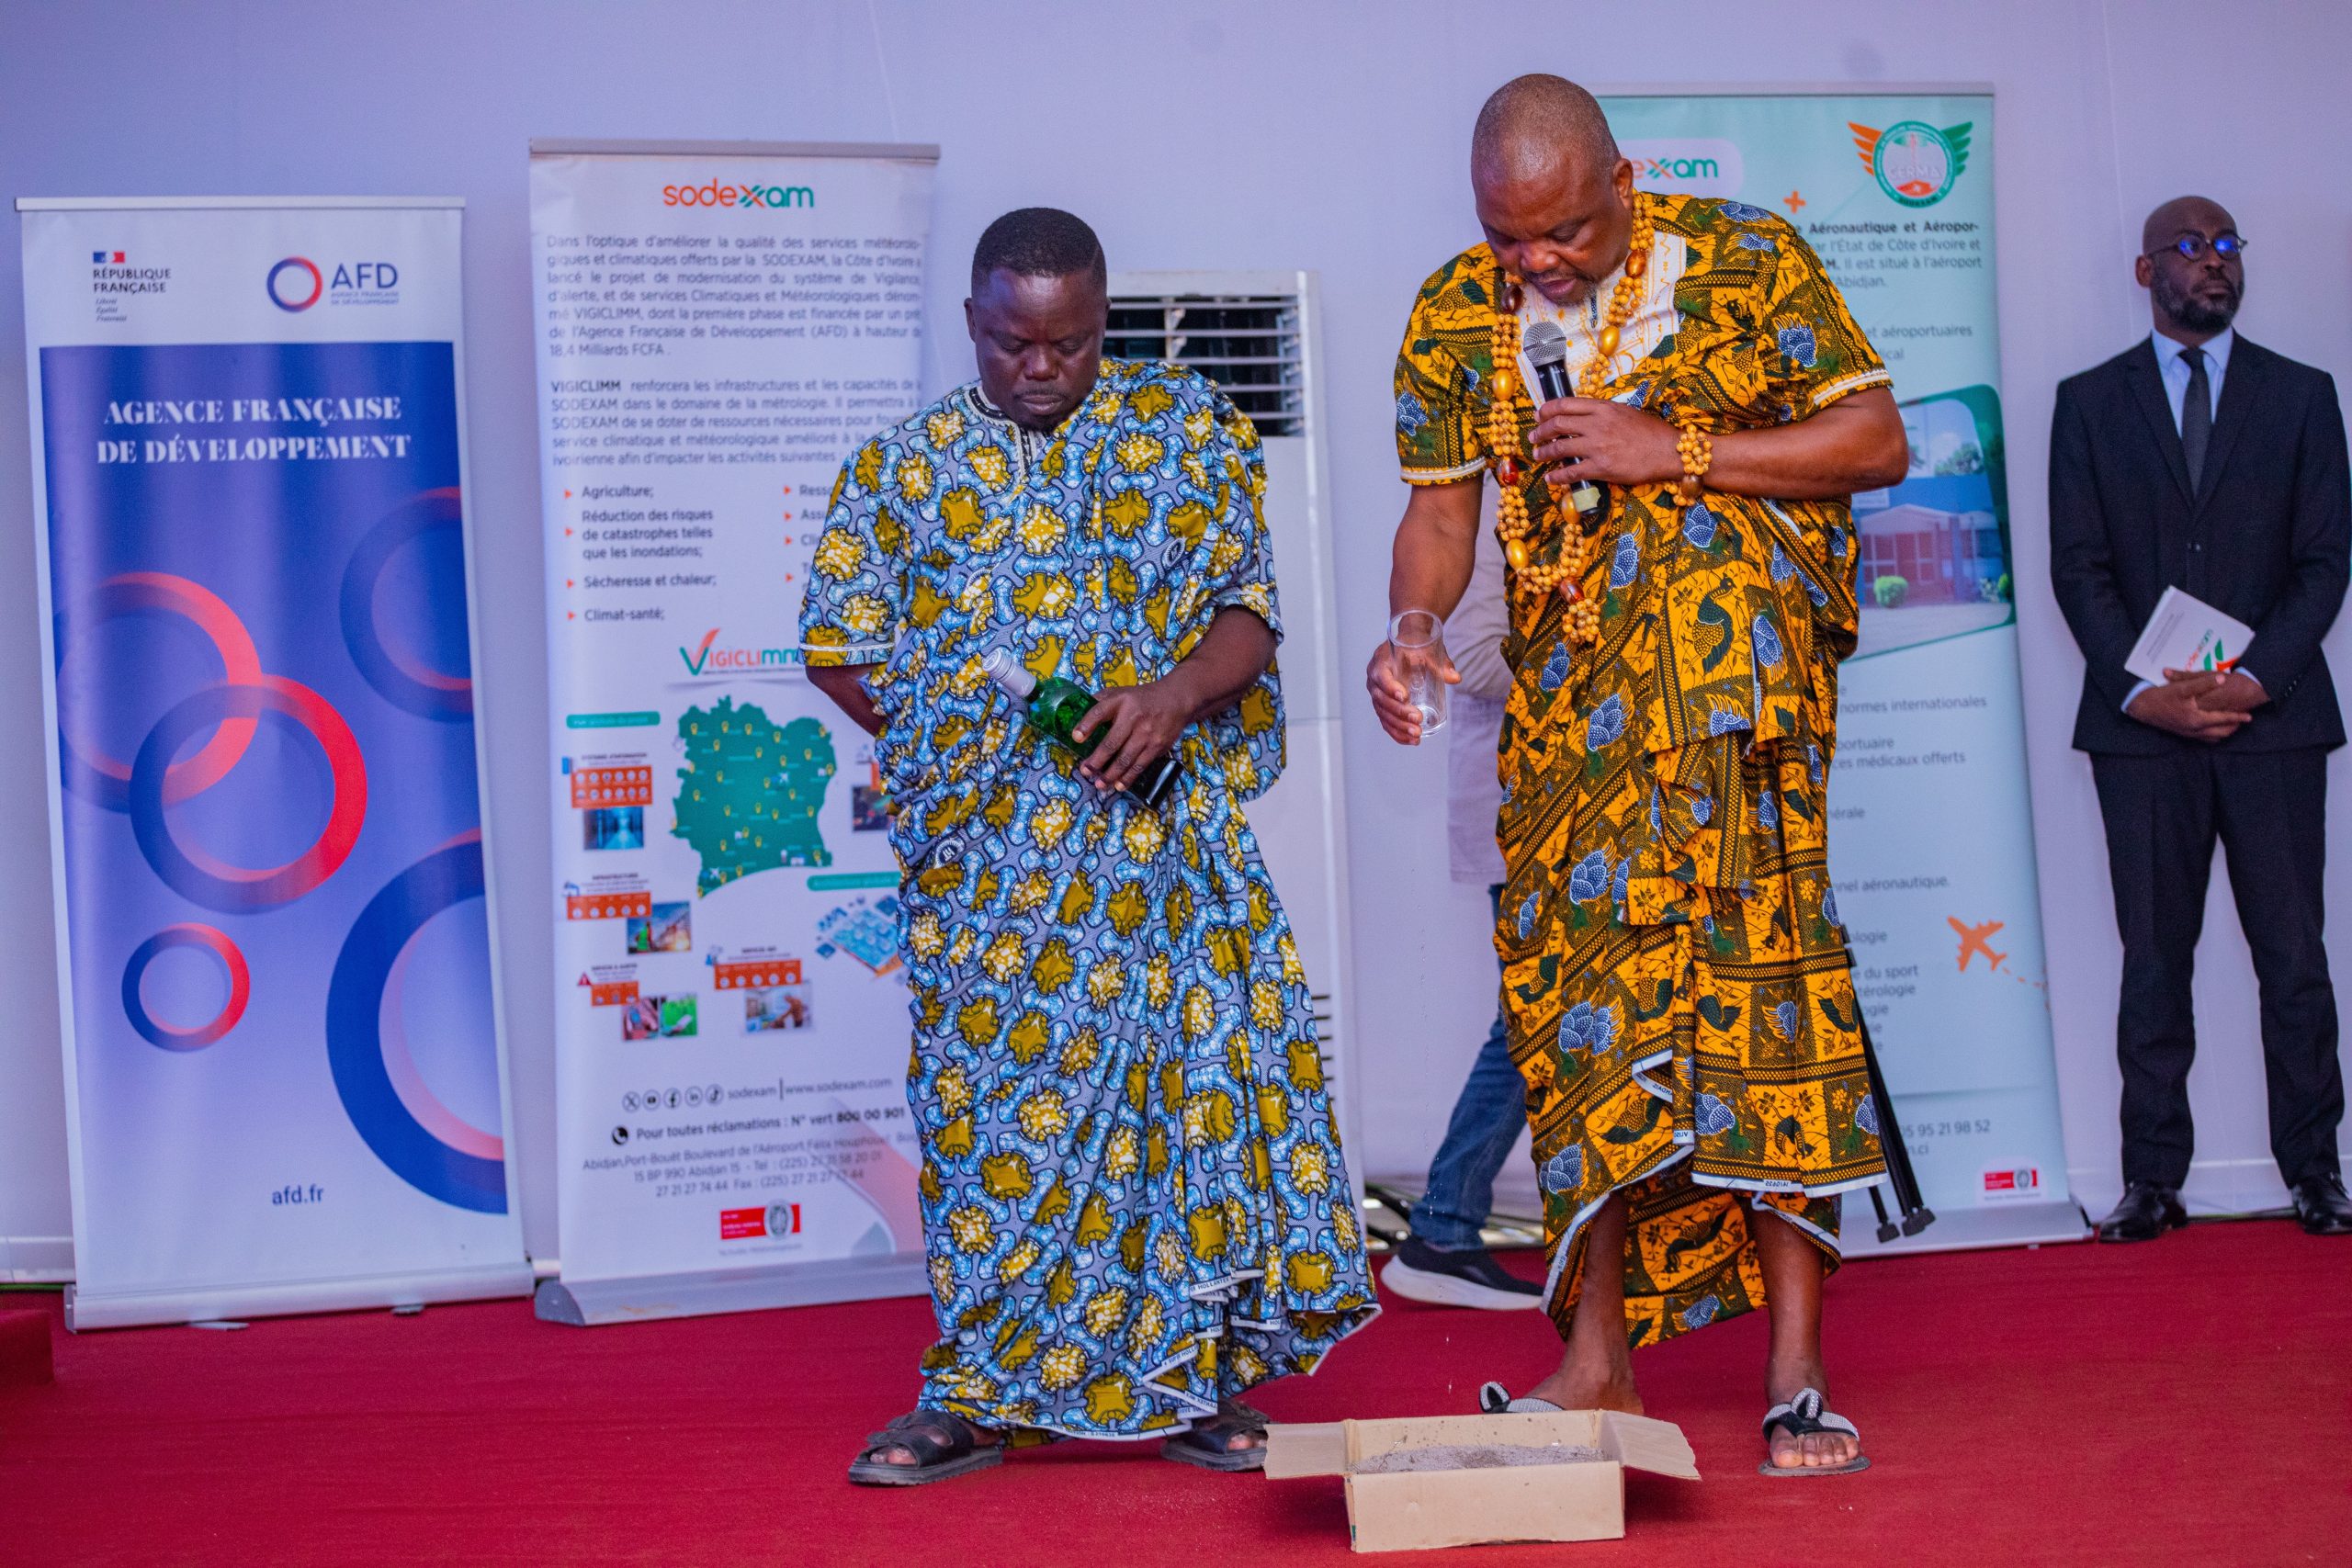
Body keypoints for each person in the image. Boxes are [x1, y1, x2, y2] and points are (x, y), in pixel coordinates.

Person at [1368, 74, 1907, 1475]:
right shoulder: (1454, 311)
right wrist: (1413, 622)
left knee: (1766, 1013)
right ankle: (1597, 1359)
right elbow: (1440, 508)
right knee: (1579, 1032)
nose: (1537, 259)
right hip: (1571, 730)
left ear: (1623, 179)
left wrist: (1674, 449)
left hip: (1739, 722)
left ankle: (1796, 1371)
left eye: (1563, 230)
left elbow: (1875, 441)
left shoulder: (1748, 257)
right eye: (1509, 236)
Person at [803, 208, 1376, 1486]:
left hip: (1160, 853)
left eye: (1066, 343)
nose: (1039, 367)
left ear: (1102, 322)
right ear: (972, 323)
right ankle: (978, 1390)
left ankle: (1193, 1377)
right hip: (989, 883)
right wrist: (957, 744)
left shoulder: (1185, 431)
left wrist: (1170, 697)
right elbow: (837, 647)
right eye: (1012, 343)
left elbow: (1248, 615)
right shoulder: (900, 470)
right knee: (990, 1127)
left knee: (1185, 1108)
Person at [2049, 196, 2352, 1241]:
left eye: (2226, 246)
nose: (2213, 262)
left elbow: (2325, 562)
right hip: (2141, 734)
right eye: (2190, 247)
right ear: (2147, 272)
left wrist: (2254, 678)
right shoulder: (2088, 403)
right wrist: (2147, 692)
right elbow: (2078, 568)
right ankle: (2151, 1180)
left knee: (2294, 960)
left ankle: (2316, 1172)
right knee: (2152, 961)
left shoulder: (2302, 396)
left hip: (2276, 724)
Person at [1379, 524, 1544, 1310]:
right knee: (1535, 1017)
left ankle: (1445, 1225)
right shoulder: (1488, 501)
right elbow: (1468, 656)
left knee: (1542, 1017)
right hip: (1529, 808)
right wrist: (1617, 654)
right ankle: (1443, 1226)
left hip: (1588, 808)